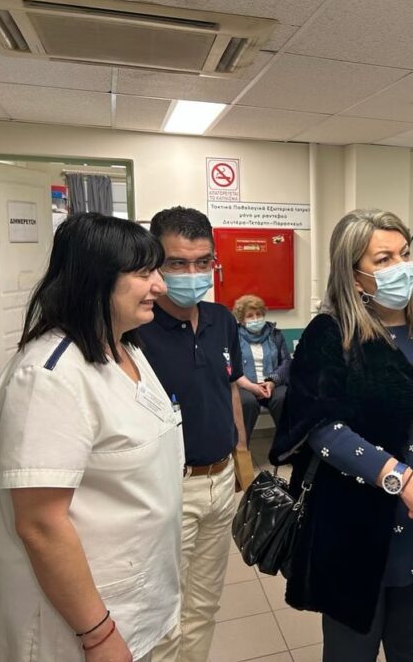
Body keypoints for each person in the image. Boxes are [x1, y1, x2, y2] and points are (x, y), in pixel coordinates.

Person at [269, 209, 413, 662]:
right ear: (354, 276)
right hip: (355, 526)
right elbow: (322, 429)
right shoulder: (329, 335)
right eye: (384, 259)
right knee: (351, 650)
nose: (401, 267)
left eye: (405, 254)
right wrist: (400, 479)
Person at [0, 213, 182, 662]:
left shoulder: (126, 348)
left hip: (132, 599)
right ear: (96, 279)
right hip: (73, 627)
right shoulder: (49, 378)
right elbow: (41, 524)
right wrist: (97, 633)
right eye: (144, 273)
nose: (161, 286)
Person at [139, 206, 249, 662]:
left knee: (203, 606)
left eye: (202, 262)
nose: (192, 274)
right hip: (168, 488)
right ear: (155, 264)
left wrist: (242, 458)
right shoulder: (137, 329)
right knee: (164, 615)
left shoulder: (222, 319)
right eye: (178, 263)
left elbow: (230, 389)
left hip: (220, 481)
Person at [233, 294, 291, 438]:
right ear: (242, 320)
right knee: (247, 403)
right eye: (250, 316)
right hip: (245, 385)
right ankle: (241, 445)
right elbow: (231, 366)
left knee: (283, 398)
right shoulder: (233, 336)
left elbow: (286, 362)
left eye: (258, 314)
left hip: (272, 383)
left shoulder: (275, 335)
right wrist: (251, 386)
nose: (255, 319)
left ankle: (286, 442)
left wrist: (271, 381)